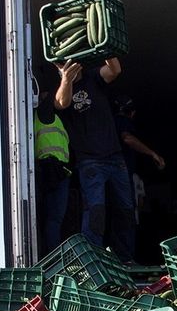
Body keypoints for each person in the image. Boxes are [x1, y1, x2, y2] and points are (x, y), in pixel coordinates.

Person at [51, 56, 137, 260]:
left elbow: (114, 70)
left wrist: (103, 47)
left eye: (71, 61)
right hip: (90, 162)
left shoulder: (93, 78)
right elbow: (61, 103)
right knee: (96, 212)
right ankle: (94, 260)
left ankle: (126, 258)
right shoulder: (65, 89)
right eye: (64, 63)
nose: (70, 65)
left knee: (125, 210)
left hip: (115, 158)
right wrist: (66, 79)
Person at [34, 97, 72, 256]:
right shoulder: (45, 113)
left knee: (53, 219)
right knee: (53, 219)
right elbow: (59, 100)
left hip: (58, 171)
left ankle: (52, 254)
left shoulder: (56, 120)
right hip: (50, 170)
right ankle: (54, 257)